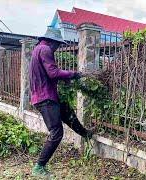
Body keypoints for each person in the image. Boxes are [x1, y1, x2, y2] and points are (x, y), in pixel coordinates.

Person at [29, 27, 94, 177]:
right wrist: (74, 74)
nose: (58, 48)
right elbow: (53, 73)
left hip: (48, 95)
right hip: (45, 97)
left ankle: (86, 134)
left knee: (67, 112)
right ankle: (39, 167)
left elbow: (48, 74)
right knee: (57, 132)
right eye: (57, 44)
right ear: (52, 42)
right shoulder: (45, 49)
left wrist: (64, 80)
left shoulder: (38, 49)